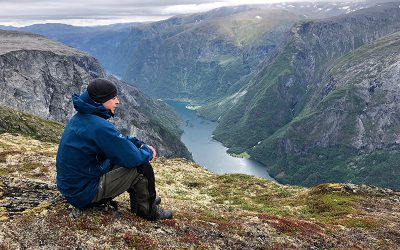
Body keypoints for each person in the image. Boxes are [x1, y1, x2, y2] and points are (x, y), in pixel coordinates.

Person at [56, 78, 173, 221]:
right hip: (84, 194)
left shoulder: (83, 118)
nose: (117, 101)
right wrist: (147, 152)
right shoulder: (99, 126)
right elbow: (132, 158)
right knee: (142, 167)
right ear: (101, 100)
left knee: (118, 158)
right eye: (113, 98)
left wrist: (136, 143)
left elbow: (116, 143)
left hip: (74, 187)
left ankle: (144, 199)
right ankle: (148, 211)